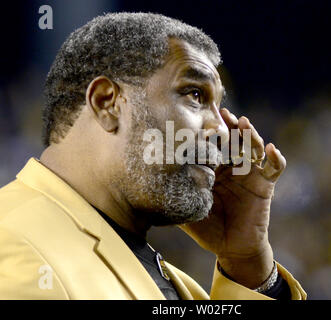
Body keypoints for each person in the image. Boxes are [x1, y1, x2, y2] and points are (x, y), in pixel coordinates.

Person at [0, 12, 306, 300]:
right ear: (107, 103)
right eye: (195, 94)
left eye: (218, 104)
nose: (223, 132)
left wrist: (247, 265)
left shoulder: (175, 282)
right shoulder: (13, 243)